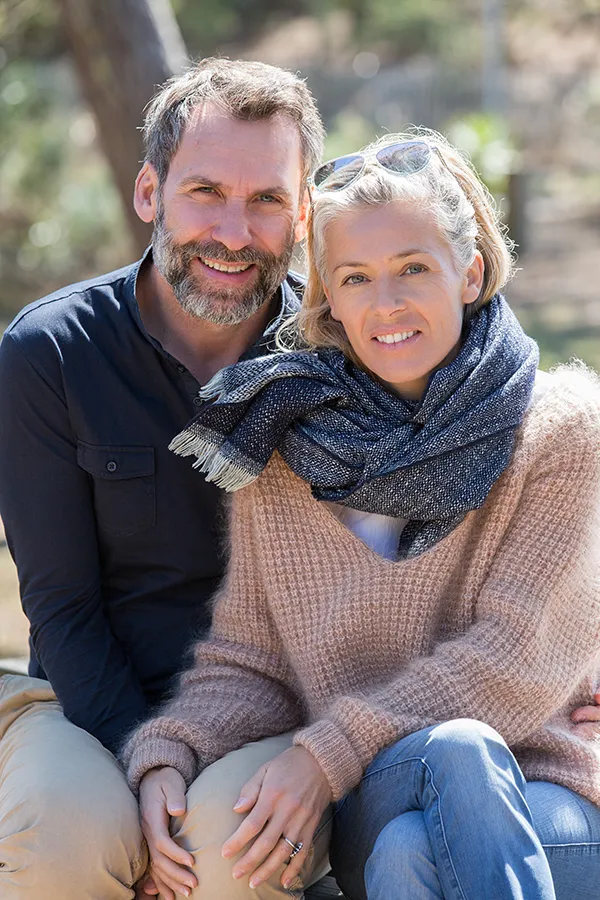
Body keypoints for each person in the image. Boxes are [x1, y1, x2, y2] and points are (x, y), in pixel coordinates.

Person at [122, 130, 600, 900]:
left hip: (547, 790)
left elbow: (514, 657)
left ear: (470, 272)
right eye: (356, 277)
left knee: (421, 833)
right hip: (377, 785)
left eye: (413, 268)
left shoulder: (561, 429)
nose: (387, 303)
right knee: (435, 782)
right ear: (330, 302)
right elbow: (252, 662)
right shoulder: (284, 449)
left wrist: (324, 756)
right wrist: (172, 751)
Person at [0, 58, 329, 900]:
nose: (234, 233)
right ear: (150, 192)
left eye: (266, 200)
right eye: (205, 192)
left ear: (303, 213)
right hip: (84, 701)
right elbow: (62, 608)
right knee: (60, 837)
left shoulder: (338, 356)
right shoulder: (49, 354)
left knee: (228, 850)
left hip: (269, 715)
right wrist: (146, 762)